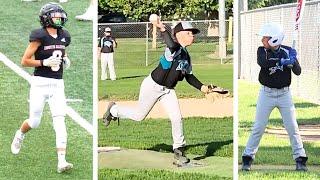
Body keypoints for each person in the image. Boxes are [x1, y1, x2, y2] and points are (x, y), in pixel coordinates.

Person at [102, 17, 214, 166]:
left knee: (177, 118)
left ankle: (179, 151)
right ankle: (114, 110)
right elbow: (171, 44)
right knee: (139, 116)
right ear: (179, 34)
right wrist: (162, 28)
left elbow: (189, 76)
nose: (192, 36)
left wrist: (203, 88)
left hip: (168, 91)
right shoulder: (172, 49)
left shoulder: (186, 56)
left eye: (193, 33)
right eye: (189, 33)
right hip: (152, 86)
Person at [11, 2, 73, 173]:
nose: (59, 18)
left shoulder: (64, 35)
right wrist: (43, 62)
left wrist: (66, 59)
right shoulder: (39, 36)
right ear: (46, 18)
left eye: (60, 15)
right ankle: (20, 134)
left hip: (58, 84)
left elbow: (61, 51)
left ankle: (62, 161)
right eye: (56, 15)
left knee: (60, 119)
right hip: (40, 83)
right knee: (34, 122)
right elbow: (24, 61)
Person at [241, 23, 308, 171]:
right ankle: (247, 158)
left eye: (265, 38)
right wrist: (281, 61)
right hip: (266, 94)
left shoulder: (287, 51)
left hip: (285, 95)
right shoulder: (262, 51)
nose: (262, 41)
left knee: (292, 127)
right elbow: (263, 62)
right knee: (258, 127)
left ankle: (300, 159)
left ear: (275, 39)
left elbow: (298, 71)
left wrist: (292, 62)